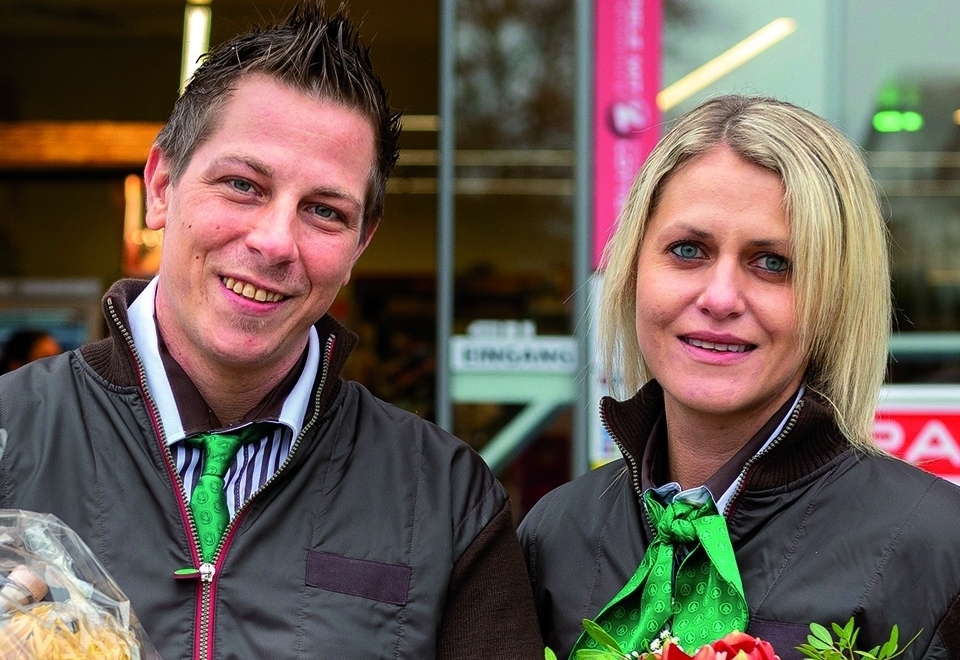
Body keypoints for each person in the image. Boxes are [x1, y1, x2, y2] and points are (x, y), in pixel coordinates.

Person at [0, 4, 543, 659]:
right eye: (242, 185)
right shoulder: (10, 440)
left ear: (360, 243)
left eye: (324, 210)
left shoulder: (446, 500)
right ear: (162, 186)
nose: (274, 241)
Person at [518, 95, 960, 660]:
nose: (721, 297)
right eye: (687, 250)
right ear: (633, 271)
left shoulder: (937, 553)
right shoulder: (555, 535)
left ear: (837, 297)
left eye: (773, 262)